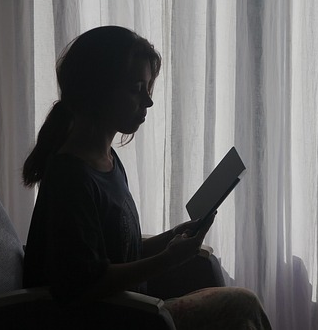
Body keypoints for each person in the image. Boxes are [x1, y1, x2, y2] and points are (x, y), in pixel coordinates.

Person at [22, 26, 271, 329]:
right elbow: (84, 283)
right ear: (97, 91)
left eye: (147, 88)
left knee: (233, 297)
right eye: (135, 89)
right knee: (242, 305)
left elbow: (118, 249)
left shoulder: (108, 160)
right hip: (111, 318)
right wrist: (169, 259)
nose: (148, 101)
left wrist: (172, 237)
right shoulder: (71, 178)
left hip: (134, 309)